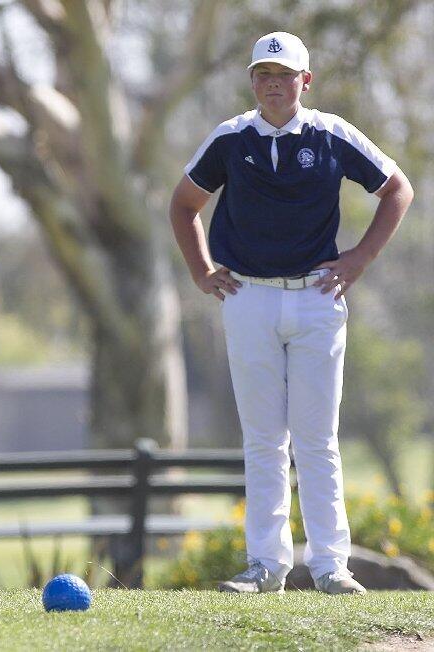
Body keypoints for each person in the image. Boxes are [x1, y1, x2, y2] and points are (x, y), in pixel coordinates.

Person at [169, 32, 413, 595]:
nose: (273, 85)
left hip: (316, 298)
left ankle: (331, 565)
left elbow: (396, 189)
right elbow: (184, 205)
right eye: (263, 75)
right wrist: (202, 270)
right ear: (252, 81)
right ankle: (266, 566)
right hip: (246, 297)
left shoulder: (331, 135)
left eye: (284, 76)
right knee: (262, 439)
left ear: (305, 81)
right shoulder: (231, 138)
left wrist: (358, 259)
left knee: (316, 438)